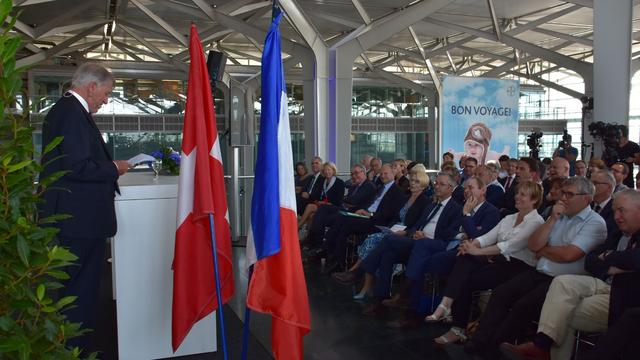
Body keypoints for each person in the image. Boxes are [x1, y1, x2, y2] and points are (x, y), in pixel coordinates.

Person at [39, 63, 130, 349]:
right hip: (79, 220)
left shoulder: (68, 111)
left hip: (78, 218)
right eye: (106, 93)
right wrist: (114, 167)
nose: (105, 100)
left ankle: (75, 343)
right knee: (79, 288)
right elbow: (78, 166)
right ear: (92, 87)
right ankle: (75, 347)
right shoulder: (70, 113)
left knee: (79, 286)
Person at [464, 176, 607, 358]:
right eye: (563, 193)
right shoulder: (557, 215)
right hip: (539, 271)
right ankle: (479, 342)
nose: (563, 198)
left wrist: (544, 249)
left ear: (586, 198)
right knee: (501, 293)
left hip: (563, 281)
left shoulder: (594, 222)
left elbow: (569, 255)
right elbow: (533, 245)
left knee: (522, 306)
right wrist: (553, 220)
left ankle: (495, 350)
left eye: (569, 194)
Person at [500, 189, 640, 360]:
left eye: (622, 210)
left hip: (626, 295)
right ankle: (541, 347)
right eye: (614, 211)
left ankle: (543, 349)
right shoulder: (617, 232)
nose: (617, 216)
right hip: (604, 283)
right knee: (562, 283)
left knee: (560, 310)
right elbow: (591, 260)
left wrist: (609, 257)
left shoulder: (596, 222)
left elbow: (634, 259)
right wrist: (610, 265)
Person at [431, 181, 544, 345]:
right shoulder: (510, 218)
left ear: (534, 200)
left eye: (522, 195)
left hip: (520, 269)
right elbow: (488, 237)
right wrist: (472, 245)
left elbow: (509, 246)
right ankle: (456, 325)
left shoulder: (536, 222)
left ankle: (447, 307)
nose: (516, 197)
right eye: (517, 193)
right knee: (465, 275)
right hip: (501, 264)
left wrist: (476, 250)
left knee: (467, 263)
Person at [357, 173, 465, 318]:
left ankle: (363, 271)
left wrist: (425, 236)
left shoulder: (456, 209)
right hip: (417, 241)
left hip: (436, 244)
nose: (437, 186)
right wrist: (415, 232)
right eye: (436, 183)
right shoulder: (432, 205)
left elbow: (450, 234)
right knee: (388, 254)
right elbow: (416, 225)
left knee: (390, 240)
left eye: (441, 184)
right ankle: (380, 300)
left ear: (451, 188)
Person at [332, 166, 430, 298]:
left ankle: (356, 274)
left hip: (405, 234)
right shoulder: (406, 198)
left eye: (416, 181)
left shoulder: (424, 202)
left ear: (423, 185)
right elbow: (396, 216)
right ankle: (361, 281)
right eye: (411, 180)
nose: (412, 183)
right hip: (394, 229)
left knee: (374, 240)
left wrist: (405, 232)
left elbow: (417, 223)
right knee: (372, 239)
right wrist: (390, 228)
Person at [306, 164, 376, 249]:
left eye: (356, 173)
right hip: (345, 208)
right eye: (352, 174)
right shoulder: (355, 186)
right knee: (322, 209)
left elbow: (353, 201)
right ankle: (316, 244)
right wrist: (347, 201)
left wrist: (347, 201)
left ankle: (318, 245)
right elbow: (347, 200)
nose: (354, 176)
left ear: (364, 173)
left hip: (355, 213)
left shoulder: (368, 185)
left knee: (323, 217)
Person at [298, 162, 344, 230]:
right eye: (325, 170)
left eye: (329, 170)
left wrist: (324, 203)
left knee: (310, 206)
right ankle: (307, 235)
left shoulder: (339, 182)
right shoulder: (323, 181)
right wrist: (318, 201)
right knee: (311, 215)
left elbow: (338, 201)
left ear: (333, 171)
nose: (327, 172)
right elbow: (320, 196)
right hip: (323, 206)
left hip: (334, 207)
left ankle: (297, 227)